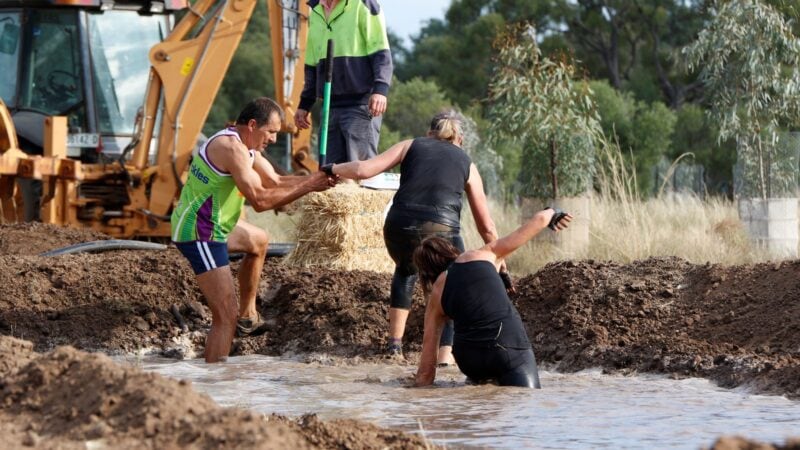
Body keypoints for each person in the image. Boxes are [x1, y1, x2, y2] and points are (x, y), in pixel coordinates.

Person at [320, 111, 501, 364]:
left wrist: (332, 167)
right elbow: (487, 226)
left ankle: (395, 347)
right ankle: (444, 358)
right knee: (447, 283)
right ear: (460, 139)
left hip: (399, 226)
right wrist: (501, 262)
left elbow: (364, 169)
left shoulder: (410, 145)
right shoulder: (467, 163)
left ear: (429, 134)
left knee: (405, 270)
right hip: (442, 230)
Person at [171, 97, 334, 363]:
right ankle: (215, 383)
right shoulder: (230, 149)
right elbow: (259, 200)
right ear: (252, 124)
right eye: (270, 132)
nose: (272, 139)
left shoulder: (247, 148)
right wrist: (308, 187)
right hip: (200, 232)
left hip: (218, 225)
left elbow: (275, 180)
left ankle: (249, 314)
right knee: (225, 316)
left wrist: (315, 178)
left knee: (259, 240)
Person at [412, 207, 572, 388]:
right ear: (450, 250)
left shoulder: (436, 294)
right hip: (508, 348)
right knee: (525, 400)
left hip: (469, 359)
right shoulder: (486, 254)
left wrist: (415, 391)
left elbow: (426, 371)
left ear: (427, 273)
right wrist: (552, 213)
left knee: (482, 403)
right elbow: (538, 221)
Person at [294, 0, 392, 164]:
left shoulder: (364, 4)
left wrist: (380, 89)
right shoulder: (315, 11)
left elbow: (381, 52)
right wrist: (305, 103)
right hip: (329, 107)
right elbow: (311, 63)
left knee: (360, 171)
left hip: (361, 104)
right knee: (329, 174)